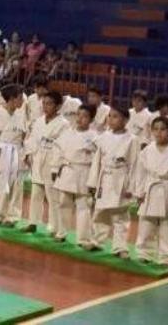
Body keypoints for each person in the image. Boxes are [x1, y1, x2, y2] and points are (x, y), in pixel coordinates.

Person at [88, 105, 141, 258]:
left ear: (125, 120)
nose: (111, 119)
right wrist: (92, 182)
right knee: (100, 212)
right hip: (105, 178)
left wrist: (132, 186)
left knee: (120, 215)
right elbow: (97, 160)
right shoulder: (103, 136)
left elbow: (135, 163)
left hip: (121, 179)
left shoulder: (132, 140)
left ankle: (120, 247)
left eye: (115, 116)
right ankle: (97, 241)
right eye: (109, 116)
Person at [134, 116, 168, 266]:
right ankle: (144, 253)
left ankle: (167, 256)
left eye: (163, 129)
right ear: (151, 131)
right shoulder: (146, 151)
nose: (159, 133)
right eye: (155, 129)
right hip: (149, 189)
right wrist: (139, 192)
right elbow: (140, 173)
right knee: (146, 224)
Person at [53, 105, 99, 248]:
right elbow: (58, 151)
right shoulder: (67, 133)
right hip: (67, 170)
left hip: (84, 172)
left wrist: (94, 180)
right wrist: (55, 168)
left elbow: (98, 159)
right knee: (63, 203)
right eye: (78, 115)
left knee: (83, 206)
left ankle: (83, 239)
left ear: (91, 119)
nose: (80, 118)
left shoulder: (95, 137)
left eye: (84, 116)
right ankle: (61, 233)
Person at [24, 91, 69, 234]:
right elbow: (32, 138)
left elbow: (63, 146)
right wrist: (28, 153)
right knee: (36, 192)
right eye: (44, 103)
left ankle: (54, 226)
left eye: (49, 103)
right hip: (38, 157)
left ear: (58, 106)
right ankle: (32, 222)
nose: (45, 106)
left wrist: (57, 166)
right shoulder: (39, 120)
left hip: (52, 160)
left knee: (52, 196)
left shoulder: (64, 124)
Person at [0, 85, 28, 226]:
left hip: (18, 150)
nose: (22, 101)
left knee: (17, 185)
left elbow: (24, 135)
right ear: (12, 99)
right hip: (3, 150)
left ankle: (13, 216)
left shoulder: (21, 115)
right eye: (20, 98)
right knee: (2, 184)